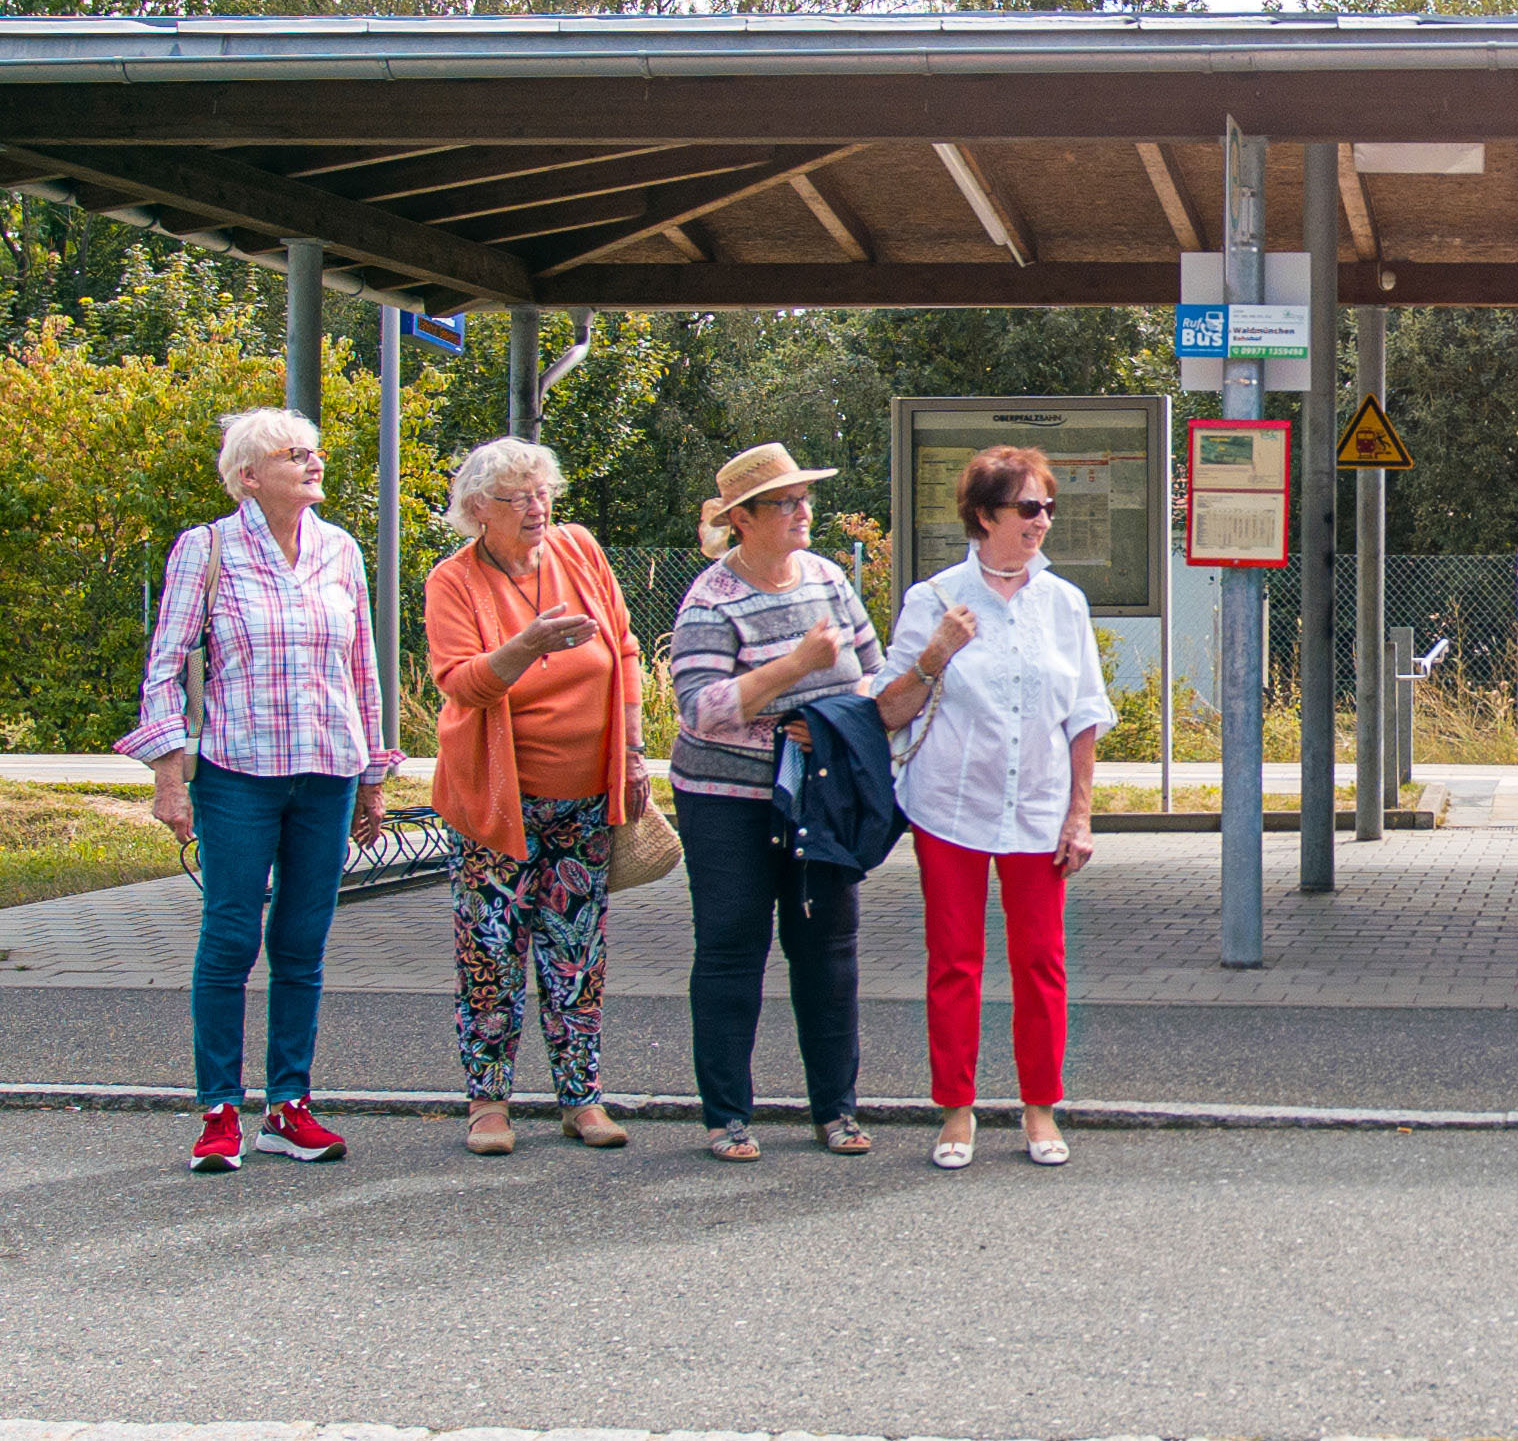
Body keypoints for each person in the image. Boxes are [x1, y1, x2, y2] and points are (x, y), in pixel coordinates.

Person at [669, 442, 975, 1162]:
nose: (802, 510)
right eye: (784, 501)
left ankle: (836, 1110)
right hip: (728, 799)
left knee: (828, 951)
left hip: (819, 794)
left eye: (804, 497)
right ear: (741, 519)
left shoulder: (830, 579)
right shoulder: (711, 600)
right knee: (730, 949)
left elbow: (872, 675)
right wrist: (795, 669)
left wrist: (840, 715)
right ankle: (725, 1116)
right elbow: (698, 707)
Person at [118, 407, 399, 1173]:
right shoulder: (205, 548)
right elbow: (165, 665)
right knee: (231, 936)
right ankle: (218, 1111)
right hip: (239, 773)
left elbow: (361, 667)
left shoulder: (339, 548)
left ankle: (289, 1106)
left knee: (302, 944)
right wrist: (169, 772)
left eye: (314, 452)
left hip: (327, 772)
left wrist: (372, 771)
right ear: (248, 475)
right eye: (293, 454)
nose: (313, 464)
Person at [876, 445, 1115, 1171]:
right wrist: (933, 654)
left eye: (1047, 506)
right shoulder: (933, 599)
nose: (1041, 520)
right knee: (955, 960)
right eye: (1027, 507)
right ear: (984, 516)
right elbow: (888, 709)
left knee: (1040, 961)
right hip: (951, 805)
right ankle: (955, 1109)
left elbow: (1082, 714)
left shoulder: (1062, 601)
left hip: (1038, 806)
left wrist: (1080, 813)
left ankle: (1039, 1107)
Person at [424, 437, 646, 1158]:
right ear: (477, 510)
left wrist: (635, 752)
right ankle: (488, 1103)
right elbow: (461, 682)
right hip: (497, 803)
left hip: (584, 799)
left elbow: (625, 650)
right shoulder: (452, 581)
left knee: (577, 951)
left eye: (541, 491)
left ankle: (581, 1097)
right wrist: (526, 644)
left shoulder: (579, 550)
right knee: (490, 951)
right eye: (517, 497)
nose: (536, 507)